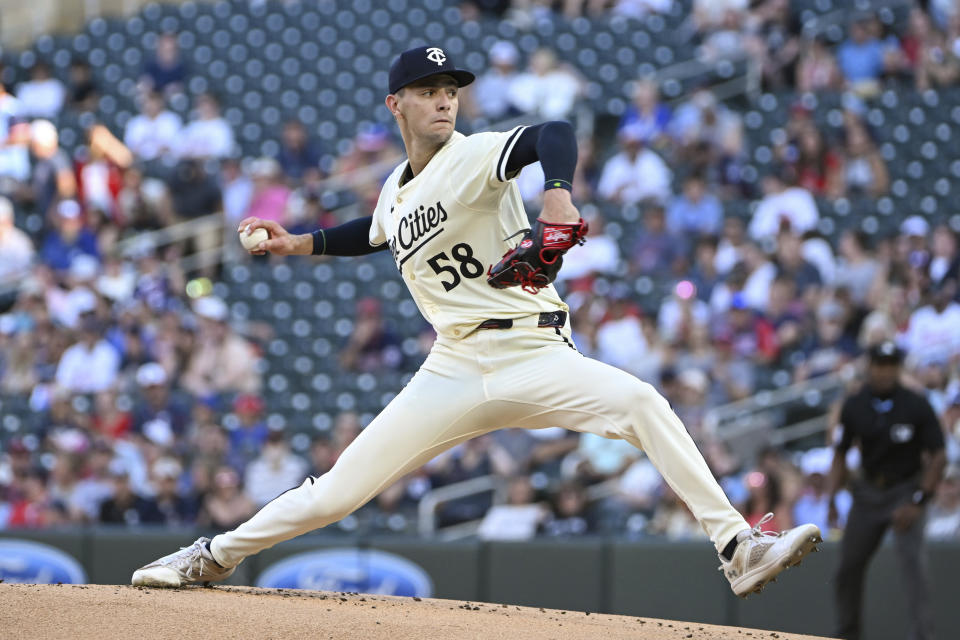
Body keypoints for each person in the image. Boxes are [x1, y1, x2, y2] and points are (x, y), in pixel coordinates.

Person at [132, 45, 821, 596]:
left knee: (642, 402)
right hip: (454, 366)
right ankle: (211, 556)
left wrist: (555, 191)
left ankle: (738, 547)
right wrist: (297, 243)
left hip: (536, 352)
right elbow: (371, 233)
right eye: (430, 91)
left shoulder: (472, 154)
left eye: (451, 90)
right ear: (395, 104)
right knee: (334, 493)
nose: (443, 100)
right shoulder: (395, 193)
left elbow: (553, 132)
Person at [827, 341, 947, 640]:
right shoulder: (855, 404)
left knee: (914, 569)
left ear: (898, 368)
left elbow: (939, 455)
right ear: (870, 366)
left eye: (891, 365)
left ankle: (923, 635)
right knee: (847, 568)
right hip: (868, 492)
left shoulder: (916, 404)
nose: (885, 371)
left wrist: (919, 499)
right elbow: (840, 453)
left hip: (905, 490)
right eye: (880, 365)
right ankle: (848, 632)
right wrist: (831, 498)